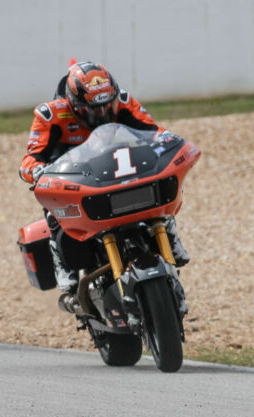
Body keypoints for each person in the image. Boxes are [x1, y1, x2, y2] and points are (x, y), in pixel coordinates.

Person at [19, 61, 190, 310]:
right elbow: (31, 156)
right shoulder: (51, 114)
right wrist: (36, 170)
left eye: (106, 107)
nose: (101, 115)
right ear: (74, 103)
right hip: (76, 178)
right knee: (53, 210)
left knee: (155, 191)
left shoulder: (123, 101)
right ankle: (65, 275)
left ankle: (169, 236)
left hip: (117, 171)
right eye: (92, 109)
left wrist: (169, 141)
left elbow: (154, 132)